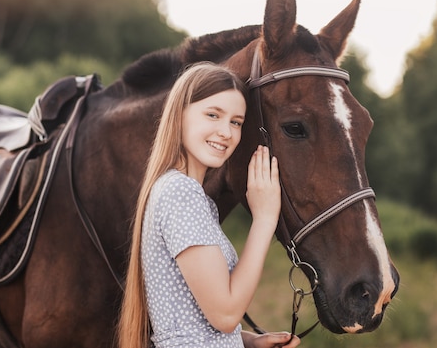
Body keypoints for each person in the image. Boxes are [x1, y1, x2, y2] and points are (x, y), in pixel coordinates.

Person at [118, 62, 300, 348]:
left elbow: (189, 317)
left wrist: (248, 342)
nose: (226, 132)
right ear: (179, 116)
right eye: (213, 115)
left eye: (236, 122)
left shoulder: (188, 195)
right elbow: (226, 314)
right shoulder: (180, 192)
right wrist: (264, 219)